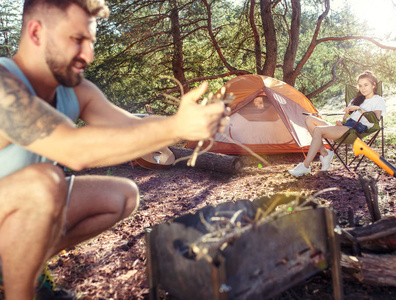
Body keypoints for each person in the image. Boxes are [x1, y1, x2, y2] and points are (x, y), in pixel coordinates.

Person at [0, 0, 229, 299]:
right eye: (77, 39)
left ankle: (15, 267)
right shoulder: (5, 85)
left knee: (121, 196)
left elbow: (131, 126)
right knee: (45, 183)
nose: (88, 55)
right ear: (35, 32)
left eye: (91, 42)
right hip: (17, 200)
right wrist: (175, 128)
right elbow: (73, 150)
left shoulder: (74, 90)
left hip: (12, 214)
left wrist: (188, 122)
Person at [288, 71, 386, 177]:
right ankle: (325, 153)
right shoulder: (356, 100)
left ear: (374, 85)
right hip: (346, 126)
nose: (363, 88)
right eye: (360, 85)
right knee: (309, 119)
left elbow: (375, 118)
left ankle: (305, 166)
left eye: (366, 85)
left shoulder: (377, 99)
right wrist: (341, 121)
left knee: (318, 130)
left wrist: (359, 109)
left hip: (356, 129)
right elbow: (346, 117)